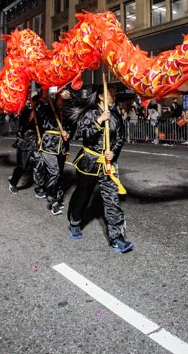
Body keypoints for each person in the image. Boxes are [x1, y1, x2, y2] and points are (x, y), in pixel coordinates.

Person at [67, 90, 133, 253]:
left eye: (114, 94)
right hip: (90, 161)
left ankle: (117, 238)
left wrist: (113, 153)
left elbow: (119, 139)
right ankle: (75, 222)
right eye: (110, 94)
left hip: (108, 164)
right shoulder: (90, 113)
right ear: (100, 96)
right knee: (83, 194)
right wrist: (99, 120)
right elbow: (86, 135)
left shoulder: (115, 116)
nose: (113, 97)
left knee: (112, 200)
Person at [32, 89, 72, 215]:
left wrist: (68, 133)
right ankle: (52, 201)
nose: (66, 94)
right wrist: (43, 97)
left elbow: (72, 126)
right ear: (58, 94)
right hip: (49, 144)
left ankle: (58, 197)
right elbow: (37, 110)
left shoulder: (68, 110)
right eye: (64, 92)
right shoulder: (48, 105)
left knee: (59, 173)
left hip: (62, 145)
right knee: (54, 171)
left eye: (68, 93)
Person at [9, 97, 39, 195]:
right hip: (24, 142)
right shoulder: (23, 111)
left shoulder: (41, 112)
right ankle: (13, 182)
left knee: (39, 165)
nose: (32, 104)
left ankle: (41, 188)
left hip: (37, 142)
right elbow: (21, 126)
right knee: (22, 165)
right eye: (32, 102)